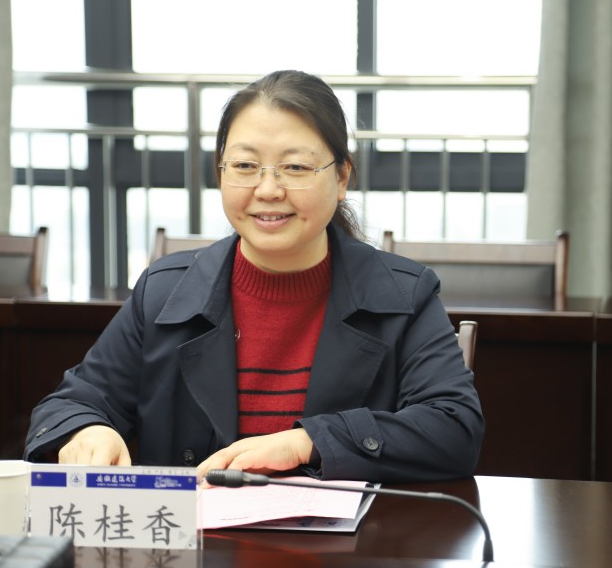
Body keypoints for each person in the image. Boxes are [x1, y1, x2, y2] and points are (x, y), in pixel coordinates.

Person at [24, 70, 484, 484]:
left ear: (342, 177)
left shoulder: (403, 294)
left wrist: (307, 442)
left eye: (295, 167)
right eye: (245, 166)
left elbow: (453, 428)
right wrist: (87, 429)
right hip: (199, 540)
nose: (267, 189)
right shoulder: (164, 291)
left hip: (345, 543)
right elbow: (72, 403)